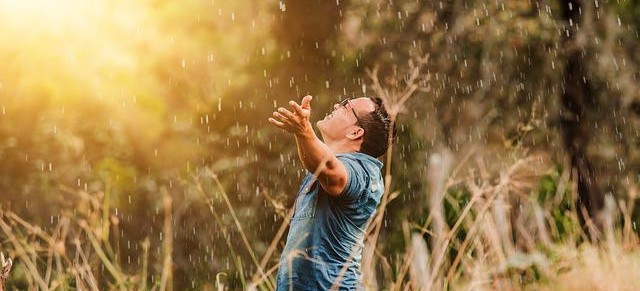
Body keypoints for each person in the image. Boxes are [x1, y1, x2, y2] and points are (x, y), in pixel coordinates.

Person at [267, 95, 395, 290]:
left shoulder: (364, 172)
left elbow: (331, 172)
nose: (337, 104)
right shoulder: (328, 168)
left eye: (346, 106)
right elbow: (318, 163)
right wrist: (301, 132)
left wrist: (304, 129)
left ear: (355, 132)